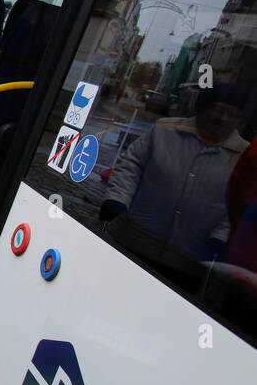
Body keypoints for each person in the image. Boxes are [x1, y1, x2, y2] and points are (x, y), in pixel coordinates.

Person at [101, 87, 248, 262]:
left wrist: (220, 238)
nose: (223, 119)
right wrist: (118, 198)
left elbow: (240, 206)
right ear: (202, 108)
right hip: (130, 242)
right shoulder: (164, 130)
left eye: (232, 114)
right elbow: (131, 164)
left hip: (187, 264)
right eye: (219, 110)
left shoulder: (245, 156)